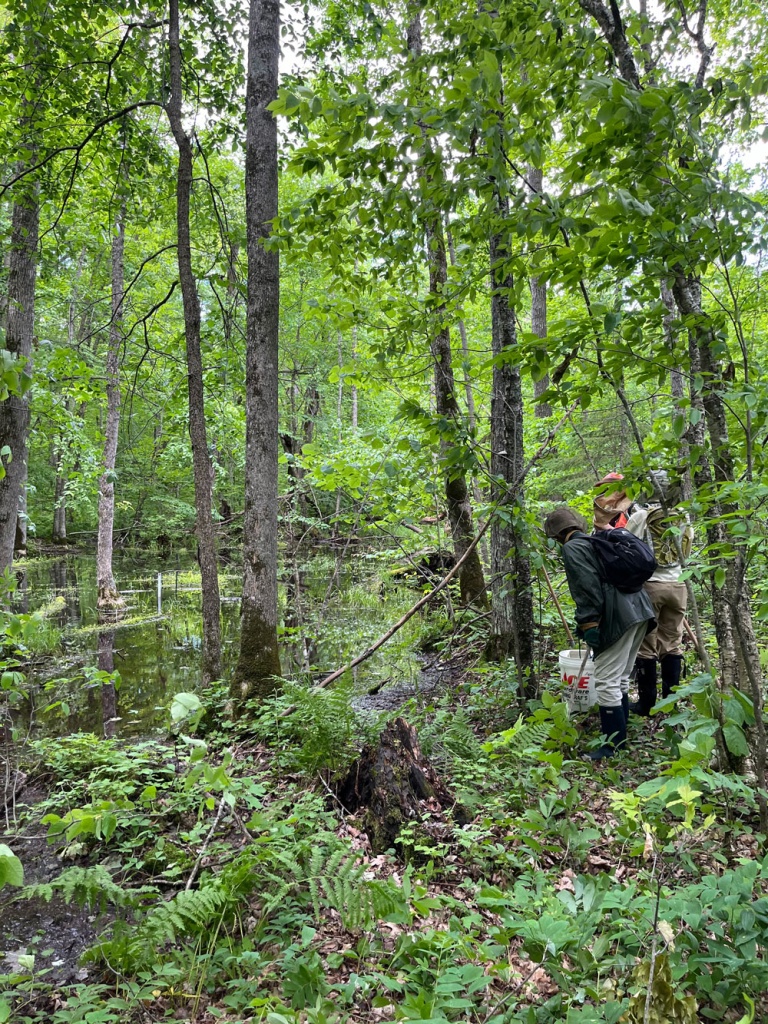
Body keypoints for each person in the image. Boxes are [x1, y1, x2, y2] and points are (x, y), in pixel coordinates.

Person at [544, 506, 656, 759]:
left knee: (606, 681)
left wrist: (589, 624)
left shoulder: (573, 548)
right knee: (620, 677)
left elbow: (587, 588)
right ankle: (620, 735)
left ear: (555, 536)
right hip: (640, 609)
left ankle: (612, 747)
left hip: (618, 616)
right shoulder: (596, 541)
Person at [625, 471, 693, 715]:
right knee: (672, 643)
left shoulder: (641, 516)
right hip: (679, 584)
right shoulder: (683, 516)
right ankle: (670, 703)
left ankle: (647, 703)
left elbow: (628, 544)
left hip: (650, 585)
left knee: (646, 643)